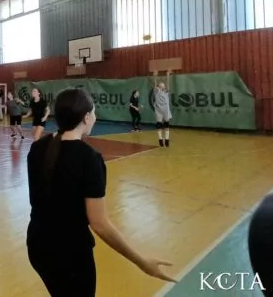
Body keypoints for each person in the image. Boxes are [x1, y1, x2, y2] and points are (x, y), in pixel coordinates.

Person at [26, 88, 174, 296]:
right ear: (86, 117)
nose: (95, 117)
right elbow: (100, 224)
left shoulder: (37, 148)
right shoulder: (89, 158)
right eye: (94, 113)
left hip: (37, 246)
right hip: (70, 254)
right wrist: (142, 262)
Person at [152, 71, 172, 147]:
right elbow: (155, 85)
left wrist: (168, 75)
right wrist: (155, 77)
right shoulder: (156, 91)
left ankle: (167, 139)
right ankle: (160, 139)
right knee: (159, 124)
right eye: (161, 85)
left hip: (166, 110)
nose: (162, 86)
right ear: (159, 86)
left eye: (163, 85)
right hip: (159, 110)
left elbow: (168, 84)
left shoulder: (166, 92)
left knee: (167, 124)